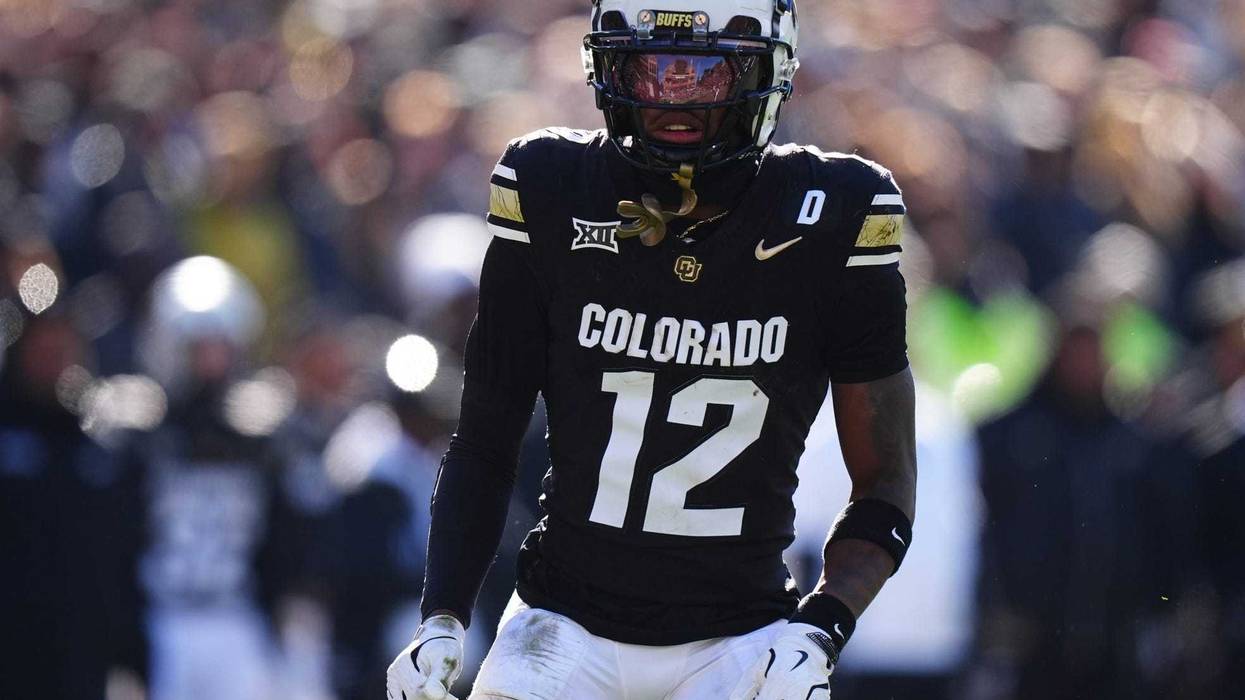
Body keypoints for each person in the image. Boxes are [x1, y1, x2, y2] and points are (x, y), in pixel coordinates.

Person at [387, 1, 917, 698]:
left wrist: (820, 628)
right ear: (605, 68)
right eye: (647, 68)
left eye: (705, 72)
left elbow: (883, 480)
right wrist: (443, 615)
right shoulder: (550, 185)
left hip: (741, 638)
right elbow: (485, 440)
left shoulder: (832, 212)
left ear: (769, 72)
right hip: (562, 627)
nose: (671, 94)